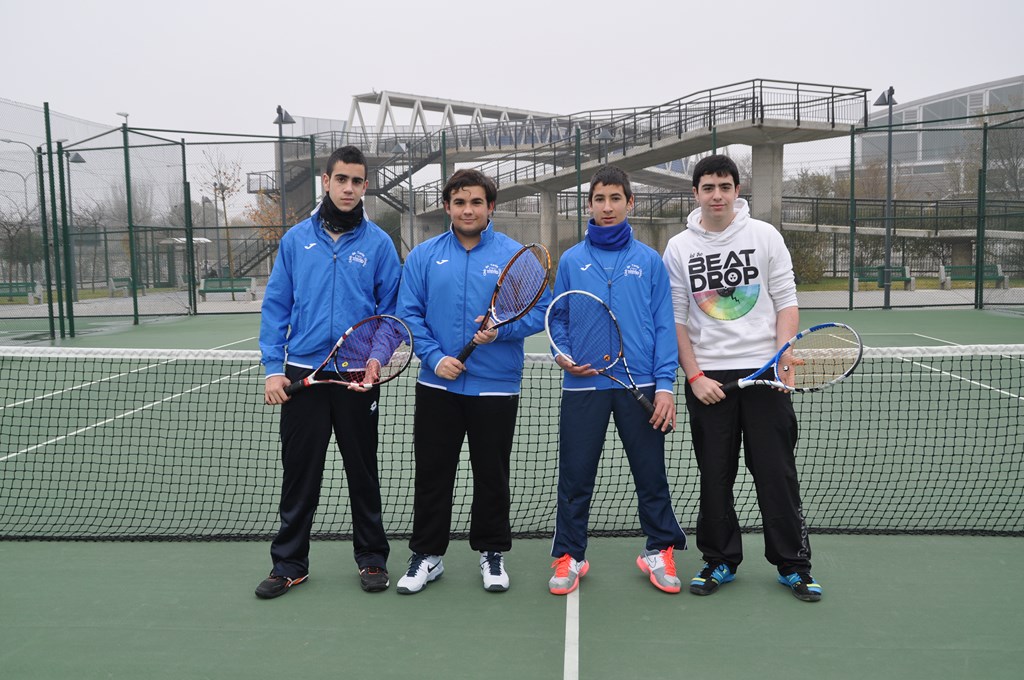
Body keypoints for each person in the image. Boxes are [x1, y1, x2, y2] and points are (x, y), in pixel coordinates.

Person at [662, 154, 821, 603]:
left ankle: (794, 565)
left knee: (776, 473)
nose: (717, 195)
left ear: (737, 190)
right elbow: (676, 319)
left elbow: (786, 300)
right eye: (708, 187)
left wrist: (783, 355)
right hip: (709, 380)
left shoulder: (764, 236)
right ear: (696, 193)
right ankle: (719, 560)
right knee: (715, 476)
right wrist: (694, 376)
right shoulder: (678, 248)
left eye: (725, 187)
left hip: (764, 374)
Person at [395, 169, 550, 594]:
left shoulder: (515, 255)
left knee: (491, 475)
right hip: (438, 385)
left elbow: (540, 311)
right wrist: (435, 357)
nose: (468, 210)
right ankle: (427, 555)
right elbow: (408, 313)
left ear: (490, 207)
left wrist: (501, 330)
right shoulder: (424, 256)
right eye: (460, 202)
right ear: (447, 207)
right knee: (432, 473)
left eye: (476, 202)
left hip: (496, 386)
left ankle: (492, 552)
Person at [256, 145, 401, 599]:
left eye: (357, 181)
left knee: (363, 472)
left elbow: (391, 314)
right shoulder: (295, 241)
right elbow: (276, 307)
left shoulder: (379, 245)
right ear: (326, 181)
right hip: (303, 372)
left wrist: (376, 359)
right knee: (300, 473)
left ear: (365, 186)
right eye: (341, 179)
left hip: (358, 377)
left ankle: (372, 558)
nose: (348, 188)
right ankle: (289, 564)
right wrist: (273, 369)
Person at [548, 165, 686, 596]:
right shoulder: (571, 260)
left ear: (630, 203)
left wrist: (665, 385)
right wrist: (562, 354)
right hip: (584, 385)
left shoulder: (650, 261)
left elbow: (664, 325)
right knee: (575, 476)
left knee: (651, 475)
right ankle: (570, 555)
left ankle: (658, 549)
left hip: (640, 384)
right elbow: (558, 318)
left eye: (615, 198)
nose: (607, 207)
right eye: (599, 199)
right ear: (588, 205)